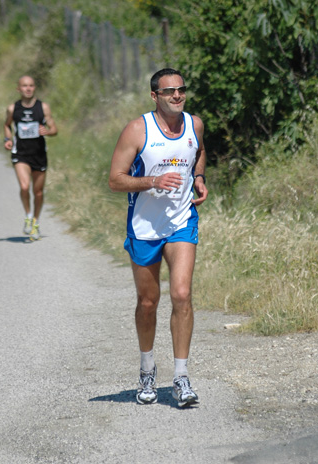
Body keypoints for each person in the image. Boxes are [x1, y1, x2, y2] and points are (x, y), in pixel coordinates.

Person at [109, 67, 208, 407]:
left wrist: (198, 177)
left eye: (181, 89)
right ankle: (147, 369)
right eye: (169, 92)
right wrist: (153, 181)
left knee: (181, 294)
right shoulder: (138, 130)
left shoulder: (194, 124)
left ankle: (181, 377)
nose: (177, 96)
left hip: (182, 221)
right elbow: (115, 179)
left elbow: (198, 152)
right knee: (148, 302)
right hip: (144, 226)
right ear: (155, 96)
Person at [4, 75, 58, 241]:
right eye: (24, 86)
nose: (28, 88)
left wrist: (47, 132)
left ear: (34, 88)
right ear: (18, 89)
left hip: (39, 154)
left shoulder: (43, 107)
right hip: (20, 154)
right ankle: (27, 215)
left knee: (39, 192)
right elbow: (7, 125)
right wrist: (8, 139)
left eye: (31, 86)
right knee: (25, 186)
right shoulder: (13, 108)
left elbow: (54, 129)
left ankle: (35, 221)